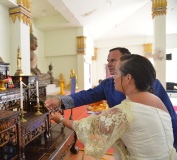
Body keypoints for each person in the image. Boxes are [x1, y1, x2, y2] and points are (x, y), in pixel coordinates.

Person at [44, 47, 177, 148]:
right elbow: (86, 95)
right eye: (108, 61)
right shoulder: (108, 84)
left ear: (127, 61)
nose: (109, 64)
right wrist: (60, 101)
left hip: (153, 143)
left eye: (113, 60)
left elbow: (169, 117)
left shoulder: (152, 83)